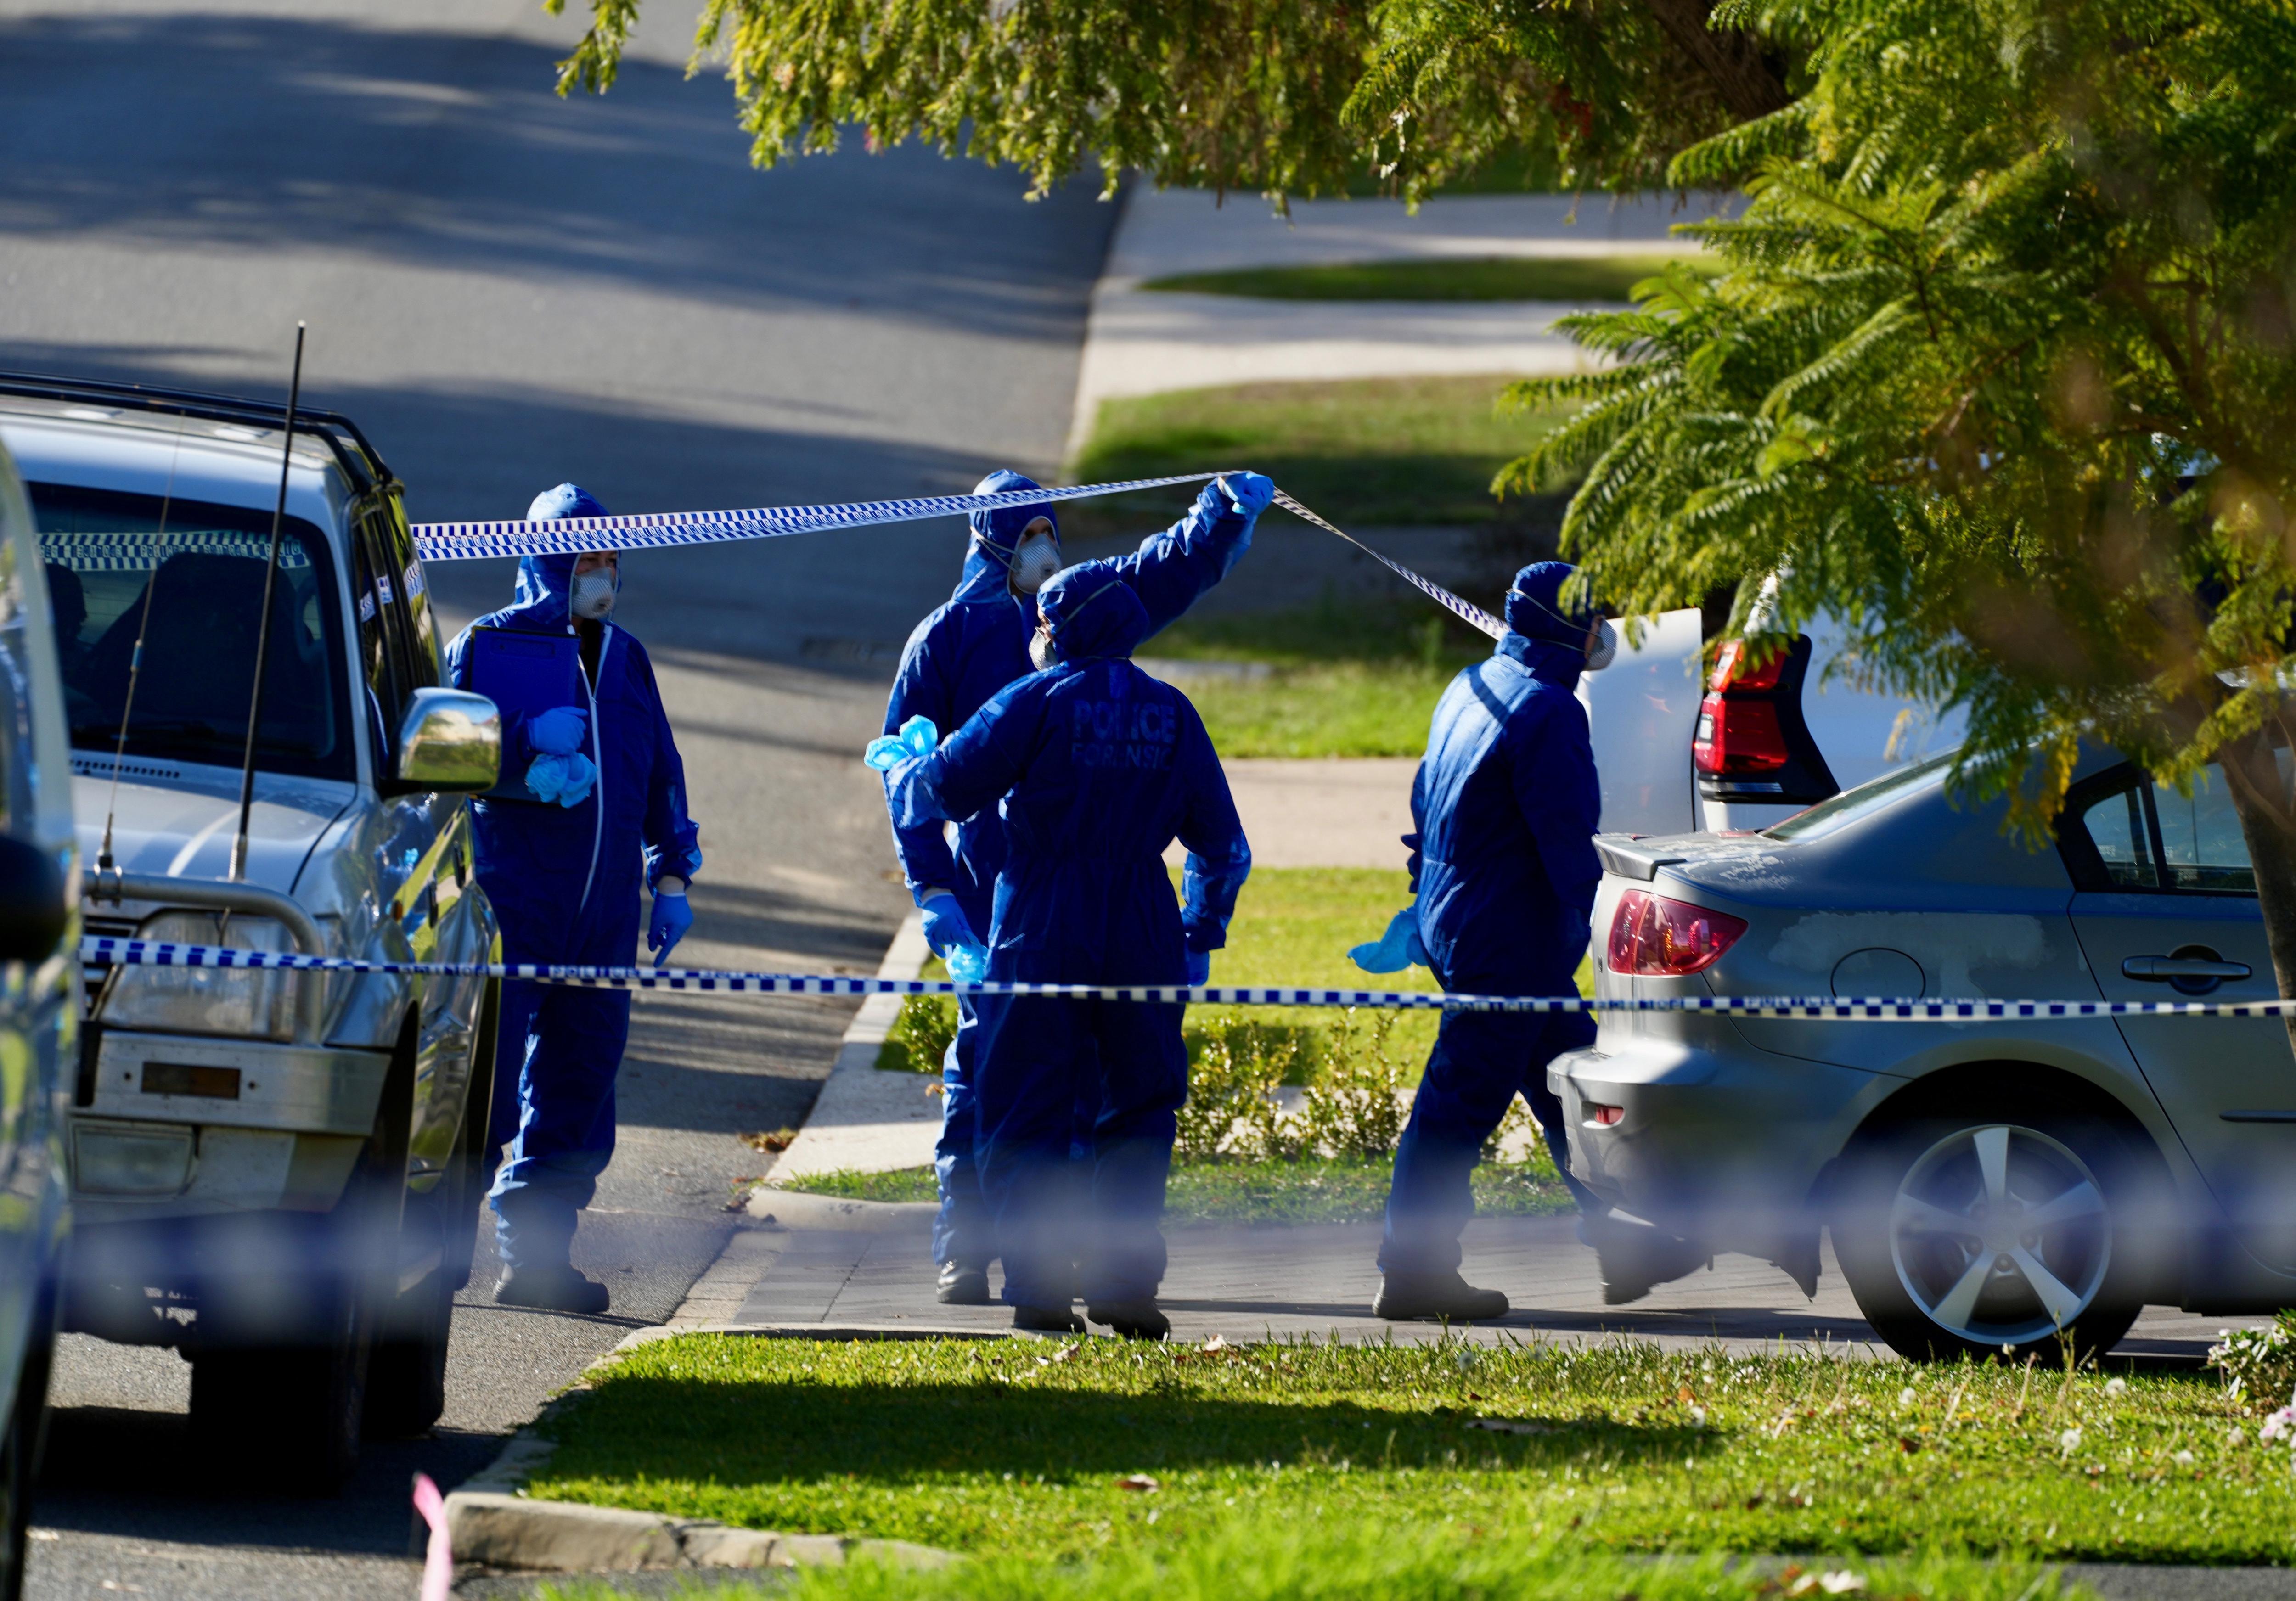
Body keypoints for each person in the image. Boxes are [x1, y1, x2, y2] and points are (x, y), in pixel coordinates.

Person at [881, 469, 1269, 1306]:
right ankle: (1113, 1277)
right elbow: (1224, 844)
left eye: (1046, 533)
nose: (1041, 550)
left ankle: (1040, 1283)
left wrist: (908, 771)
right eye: (1027, 536)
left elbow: (939, 784)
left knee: (1023, 1096)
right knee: (1130, 1101)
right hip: (1130, 919)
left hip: (1035, 913)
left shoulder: (1034, 693)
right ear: (993, 541)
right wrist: (1199, 934)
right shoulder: (1167, 706)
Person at [1360, 562, 1702, 1320]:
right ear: (1568, 629)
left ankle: (1625, 1240)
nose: (1604, 633)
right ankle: (1413, 1271)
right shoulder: (1549, 710)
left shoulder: (1469, 687)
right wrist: (1625, 941)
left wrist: (1425, 901)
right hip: (1509, 940)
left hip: (1470, 923)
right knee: (1458, 1106)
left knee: (1567, 1085)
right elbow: (1567, 842)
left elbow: (1427, 801)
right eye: (1594, 620)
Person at [445, 483, 703, 1315]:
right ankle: (433, 1253)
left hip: (600, 919)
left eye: (611, 559)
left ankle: (536, 1259)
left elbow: (660, 767)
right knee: (482, 1080)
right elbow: (443, 761)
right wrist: (522, 742)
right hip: (510, 903)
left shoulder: (626, 656)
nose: (603, 574)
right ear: (547, 557)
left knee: (581, 1080)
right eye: (587, 557)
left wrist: (671, 874)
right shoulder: (486, 645)